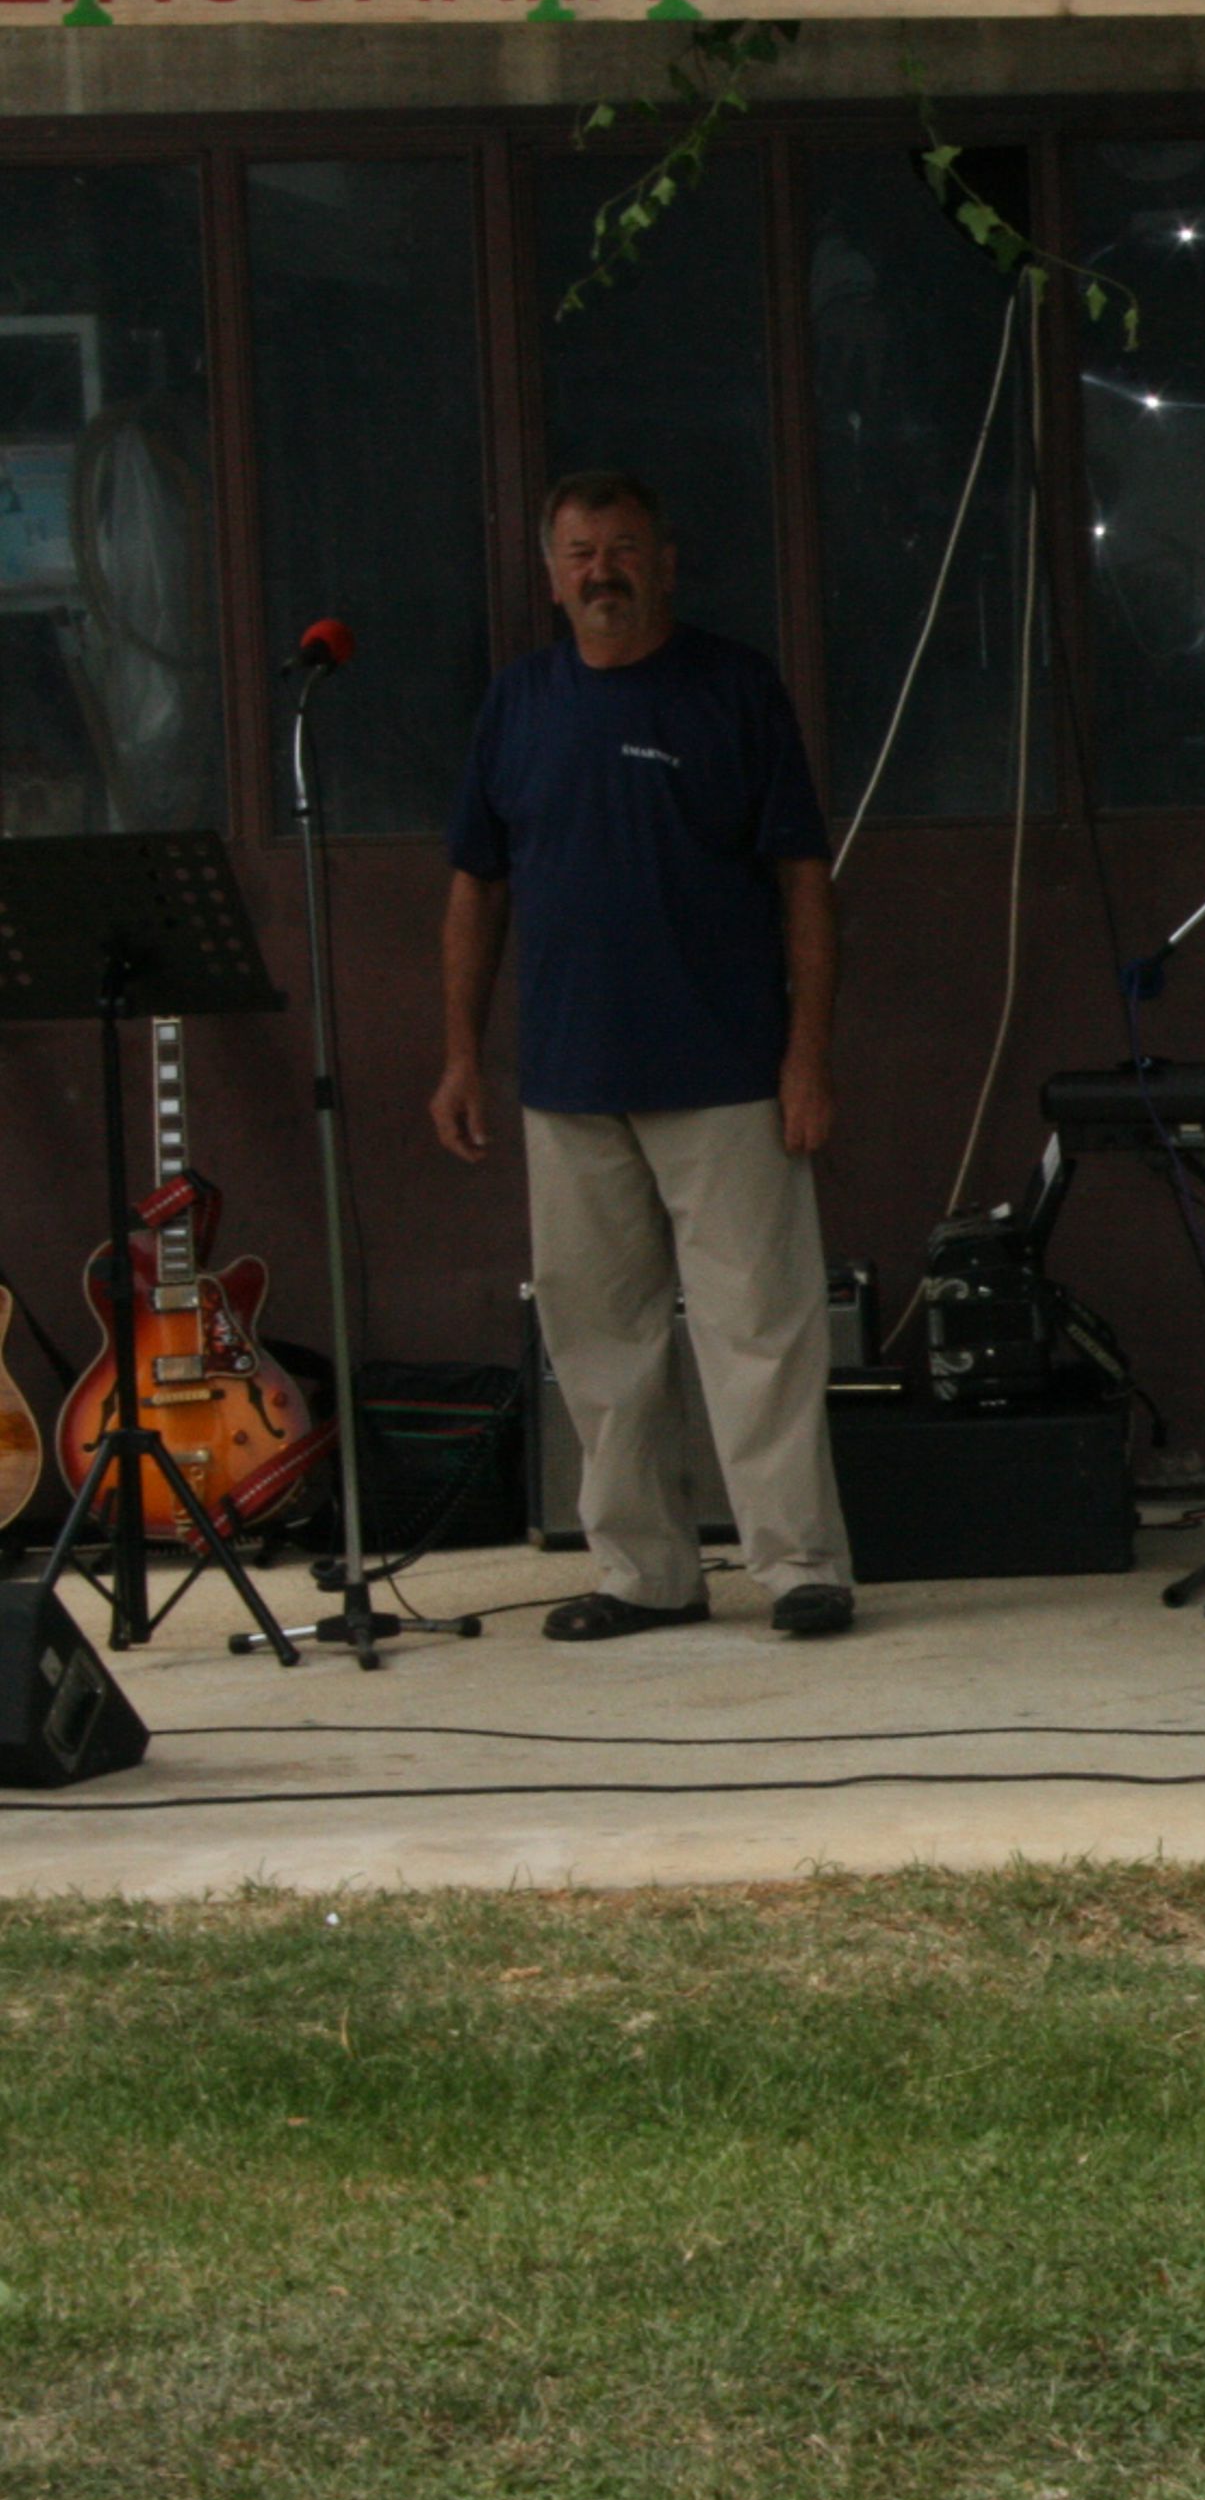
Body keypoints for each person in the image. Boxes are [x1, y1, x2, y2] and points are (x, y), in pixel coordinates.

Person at [434, 471, 857, 1643]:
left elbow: (803, 883)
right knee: (598, 1341)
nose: (602, 572)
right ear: (550, 574)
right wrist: (461, 1055)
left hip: (728, 1072)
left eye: (623, 548)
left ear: (665, 562)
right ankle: (644, 1574)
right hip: (570, 1082)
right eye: (580, 553)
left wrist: (807, 1056)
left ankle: (800, 1567)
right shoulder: (519, 702)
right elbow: (475, 888)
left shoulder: (734, 688)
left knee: (759, 1329)